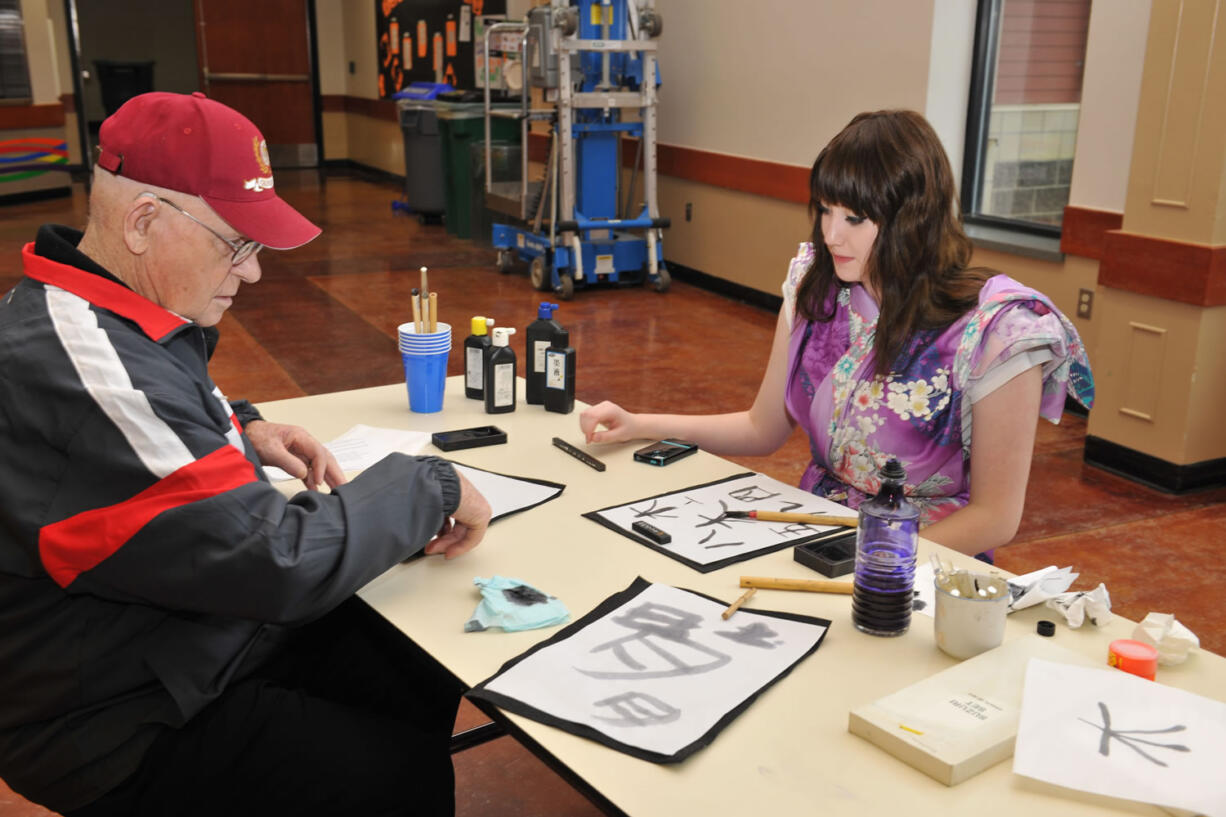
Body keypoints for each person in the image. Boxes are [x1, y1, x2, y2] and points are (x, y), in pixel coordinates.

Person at [0, 92, 492, 816]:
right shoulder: (90, 368)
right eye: (237, 245)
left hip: (169, 643)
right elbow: (273, 560)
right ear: (143, 222)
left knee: (410, 652)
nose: (252, 273)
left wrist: (245, 424)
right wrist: (433, 484)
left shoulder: (101, 307)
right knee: (396, 776)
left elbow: (163, 401)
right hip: (113, 720)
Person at [580, 110, 1093, 558]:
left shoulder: (999, 331)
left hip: (919, 560)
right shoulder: (816, 287)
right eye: (824, 210)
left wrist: (872, 557)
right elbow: (763, 428)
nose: (830, 234)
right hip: (816, 534)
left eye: (854, 217)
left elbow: (995, 517)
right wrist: (640, 424)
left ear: (911, 218)